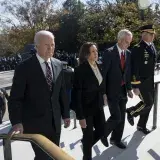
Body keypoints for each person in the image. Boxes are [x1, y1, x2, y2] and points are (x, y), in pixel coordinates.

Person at [8, 30, 70, 160]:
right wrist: (17, 122)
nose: (51, 48)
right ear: (36, 46)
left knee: (53, 155)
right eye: (46, 45)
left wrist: (65, 114)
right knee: (44, 157)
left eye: (52, 44)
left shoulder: (58, 64)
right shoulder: (24, 68)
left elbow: (61, 92)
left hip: (55, 123)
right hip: (35, 124)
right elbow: (15, 99)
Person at [73, 42, 107, 160]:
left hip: (98, 106)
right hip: (85, 109)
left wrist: (104, 94)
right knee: (87, 136)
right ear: (86, 54)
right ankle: (86, 156)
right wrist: (80, 116)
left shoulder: (99, 65)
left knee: (102, 130)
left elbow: (101, 84)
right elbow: (77, 94)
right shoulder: (80, 70)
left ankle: (86, 144)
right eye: (93, 51)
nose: (96, 53)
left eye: (96, 51)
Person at [101, 29, 133, 149]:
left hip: (123, 89)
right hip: (111, 91)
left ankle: (116, 139)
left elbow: (127, 73)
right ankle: (102, 133)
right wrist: (103, 93)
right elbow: (103, 75)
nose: (128, 44)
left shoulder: (128, 53)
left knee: (122, 117)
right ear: (119, 40)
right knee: (116, 116)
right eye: (126, 41)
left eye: (130, 42)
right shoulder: (109, 53)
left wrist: (129, 88)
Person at [126, 25, 157, 134]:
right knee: (147, 103)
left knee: (150, 103)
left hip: (150, 81)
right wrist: (135, 85)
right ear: (144, 34)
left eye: (153, 34)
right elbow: (134, 68)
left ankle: (141, 125)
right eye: (151, 34)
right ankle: (131, 111)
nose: (153, 36)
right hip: (141, 82)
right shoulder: (137, 48)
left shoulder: (152, 46)